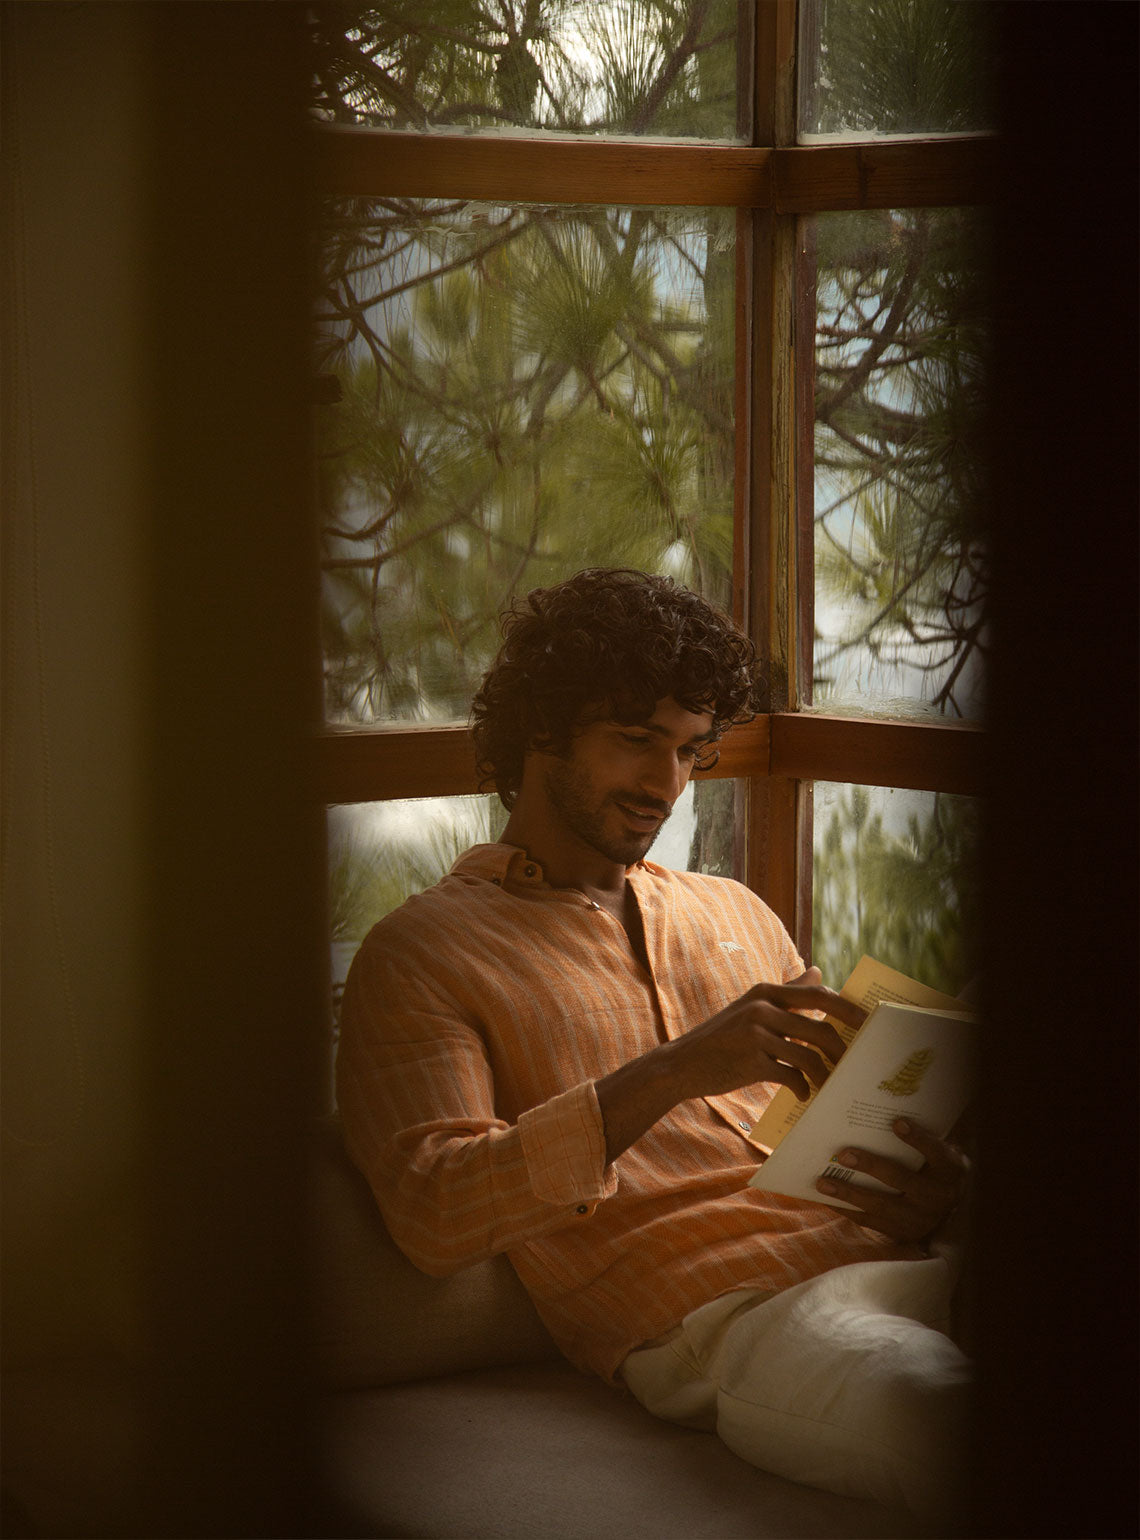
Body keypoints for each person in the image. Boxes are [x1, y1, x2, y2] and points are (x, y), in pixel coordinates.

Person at [337, 568, 970, 1522]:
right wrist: (673, 1074)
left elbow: (834, 1118)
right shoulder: (425, 950)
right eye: (636, 742)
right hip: (734, 1320)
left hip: (919, 1258)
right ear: (539, 730)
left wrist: (931, 1182)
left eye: (690, 751)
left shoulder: (736, 911)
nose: (666, 785)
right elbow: (435, 1213)